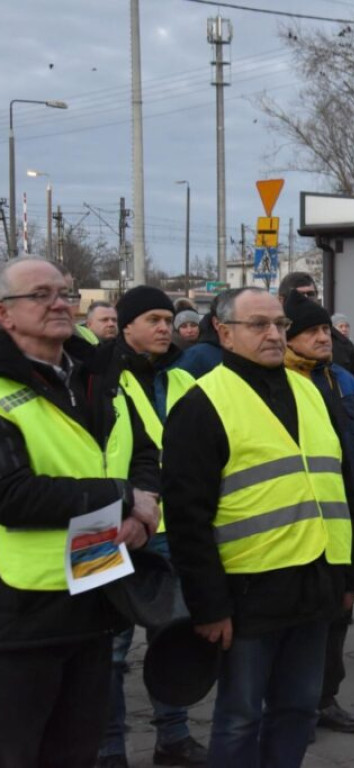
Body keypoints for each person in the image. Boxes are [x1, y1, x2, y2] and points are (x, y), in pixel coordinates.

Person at [162, 287, 352, 766]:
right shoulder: (203, 404)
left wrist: (350, 575)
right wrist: (208, 606)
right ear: (224, 332)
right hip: (247, 593)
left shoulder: (310, 391)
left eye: (281, 324)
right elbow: (187, 517)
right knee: (241, 715)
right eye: (259, 325)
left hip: (314, 581)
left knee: (299, 708)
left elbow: (341, 486)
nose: (274, 334)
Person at [0, 257, 161, 767]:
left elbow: (140, 449)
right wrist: (120, 496)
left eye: (65, 293)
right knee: (21, 748)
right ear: (5, 315)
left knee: (77, 747)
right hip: (23, 609)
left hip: (95, 588)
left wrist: (141, 504)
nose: (59, 303)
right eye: (40, 294)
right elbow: (12, 494)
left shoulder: (96, 372)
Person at [96, 287, 205, 768]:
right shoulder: (100, 376)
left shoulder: (181, 378)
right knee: (108, 649)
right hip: (110, 527)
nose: (165, 326)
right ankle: (108, 749)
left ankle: (174, 739)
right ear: (126, 325)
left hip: (171, 525)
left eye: (168, 318)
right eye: (153, 319)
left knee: (173, 637)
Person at [283, 293, 354, 734]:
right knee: (303, 619)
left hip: (349, 515)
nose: (323, 337)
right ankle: (291, 704)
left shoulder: (343, 379)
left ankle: (326, 699)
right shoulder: (279, 381)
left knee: (341, 614)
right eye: (312, 331)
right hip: (303, 521)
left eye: (325, 330)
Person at [279, 272, 354, 380]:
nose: (306, 299)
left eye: (310, 294)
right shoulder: (270, 346)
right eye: (298, 295)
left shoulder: (343, 345)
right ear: (281, 300)